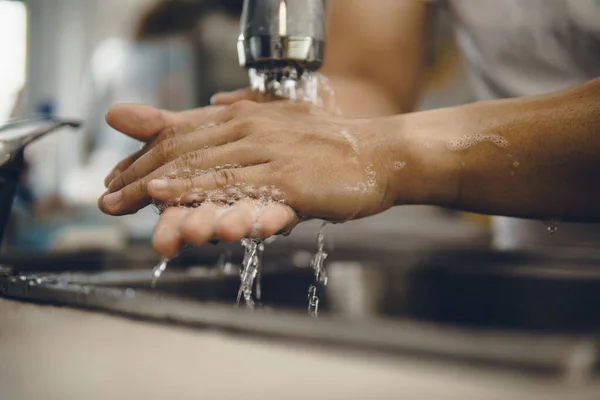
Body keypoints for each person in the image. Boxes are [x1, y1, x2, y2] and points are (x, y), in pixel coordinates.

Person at [98, 0, 600, 257]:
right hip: (536, 267)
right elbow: (368, 79)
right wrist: (291, 118)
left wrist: (385, 152)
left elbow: (375, 141)